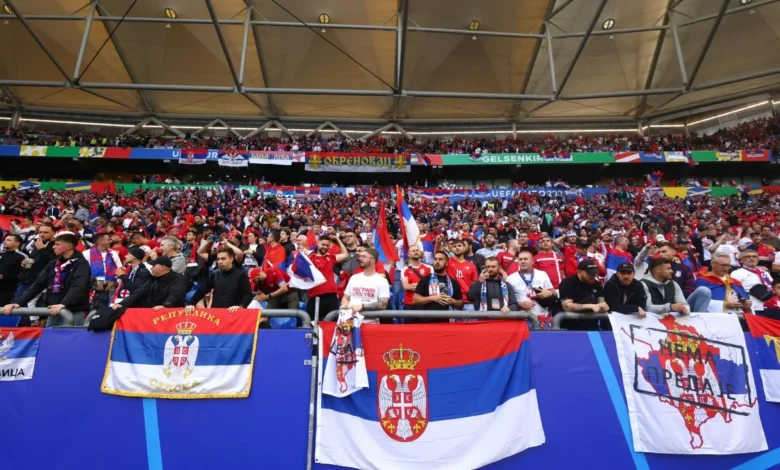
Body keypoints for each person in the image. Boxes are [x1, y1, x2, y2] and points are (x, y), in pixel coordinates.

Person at [4, 232, 91, 327]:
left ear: (69, 246)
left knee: (71, 336)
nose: (53, 247)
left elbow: (78, 286)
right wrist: (18, 302)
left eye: (57, 244)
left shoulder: (81, 264)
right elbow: (38, 285)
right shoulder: (53, 263)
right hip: (53, 310)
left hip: (72, 312)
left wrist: (64, 303)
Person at [649, 241, 712, 311]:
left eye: (664, 251)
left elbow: (691, 289)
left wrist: (676, 297)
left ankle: (699, 317)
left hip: (683, 303)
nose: (660, 254)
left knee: (704, 291)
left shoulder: (685, 268)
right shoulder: (653, 269)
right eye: (659, 252)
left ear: (673, 252)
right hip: (659, 305)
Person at [187, 247, 252, 312]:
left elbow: (247, 294)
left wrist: (241, 306)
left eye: (223, 259)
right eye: (218, 259)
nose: (220, 262)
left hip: (233, 313)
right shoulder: (215, 275)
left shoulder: (241, 275)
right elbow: (202, 290)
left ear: (231, 259)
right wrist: (191, 303)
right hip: (216, 313)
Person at [112, 257, 189, 310]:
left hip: (170, 314)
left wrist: (165, 306)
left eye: (154, 266)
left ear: (163, 267)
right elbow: (138, 293)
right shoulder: (152, 279)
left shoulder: (178, 279)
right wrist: (122, 303)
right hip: (151, 311)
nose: (151, 268)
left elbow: (175, 294)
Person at [558, 260, 609, 329]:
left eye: (594, 274)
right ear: (579, 271)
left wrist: (603, 307)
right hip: (571, 326)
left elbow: (601, 302)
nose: (592, 276)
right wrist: (590, 306)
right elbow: (566, 306)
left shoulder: (596, 284)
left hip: (592, 325)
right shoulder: (568, 283)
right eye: (589, 274)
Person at [341, 248, 390, 320]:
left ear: (372, 260)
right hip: (350, 321)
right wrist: (344, 305)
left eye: (364, 257)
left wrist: (362, 306)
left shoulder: (382, 281)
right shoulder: (354, 278)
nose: (360, 259)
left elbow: (383, 304)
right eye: (360, 256)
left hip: (370, 322)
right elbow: (346, 297)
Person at [506, 251, 556, 321]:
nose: (523, 261)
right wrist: (519, 303)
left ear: (532, 261)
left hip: (541, 317)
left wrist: (549, 293)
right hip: (521, 318)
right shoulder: (510, 278)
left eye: (525, 259)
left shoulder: (542, 274)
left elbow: (554, 294)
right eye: (520, 259)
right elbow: (506, 299)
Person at [307, 235, 348, 319]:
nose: (325, 247)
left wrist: (337, 239)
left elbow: (345, 254)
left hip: (331, 295)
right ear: (318, 243)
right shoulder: (310, 259)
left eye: (327, 245)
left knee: (333, 322)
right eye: (323, 244)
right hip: (315, 295)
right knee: (313, 322)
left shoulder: (330, 257)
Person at [413, 251, 463, 318]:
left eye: (440, 259)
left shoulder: (453, 282)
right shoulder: (425, 280)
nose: (437, 262)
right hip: (429, 320)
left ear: (446, 263)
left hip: (448, 320)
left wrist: (453, 301)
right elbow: (415, 300)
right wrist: (433, 298)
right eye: (435, 259)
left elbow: (460, 304)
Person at [15, 222, 56, 305]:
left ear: (53, 233)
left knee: (30, 309)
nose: (42, 235)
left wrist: (42, 249)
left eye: (45, 232)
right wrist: (25, 264)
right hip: (26, 281)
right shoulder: (38, 244)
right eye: (40, 232)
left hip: (40, 284)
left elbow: (53, 262)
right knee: (17, 307)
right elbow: (32, 260)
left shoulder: (56, 246)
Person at [85, 232, 123, 306]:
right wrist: (94, 284)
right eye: (108, 239)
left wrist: (114, 282)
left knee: (110, 307)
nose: (110, 241)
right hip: (92, 287)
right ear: (100, 241)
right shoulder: (86, 253)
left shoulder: (113, 253)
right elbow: (84, 271)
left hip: (111, 286)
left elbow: (120, 269)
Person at [443, 238, 479, 311]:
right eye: (454, 246)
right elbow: (437, 255)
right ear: (451, 249)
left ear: (464, 247)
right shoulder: (448, 262)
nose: (457, 248)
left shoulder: (472, 266)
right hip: (451, 300)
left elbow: (474, 284)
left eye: (459, 245)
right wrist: (438, 242)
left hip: (468, 302)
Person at [400, 246, 432, 310]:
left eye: (417, 250)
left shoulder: (429, 268)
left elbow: (431, 287)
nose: (416, 252)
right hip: (409, 304)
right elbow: (406, 287)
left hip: (425, 303)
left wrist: (413, 286)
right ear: (409, 255)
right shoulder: (405, 269)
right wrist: (423, 287)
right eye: (413, 251)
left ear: (420, 253)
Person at [0, 234, 25, 306]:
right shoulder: (1, 254)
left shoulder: (22, 256)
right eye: (5, 240)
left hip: (9, 290)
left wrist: (4, 277)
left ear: (17, 243)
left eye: (9, 240)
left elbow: (24, 275)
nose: (5, 242)